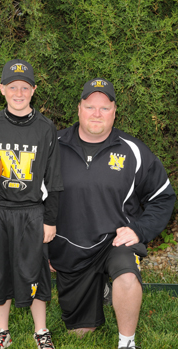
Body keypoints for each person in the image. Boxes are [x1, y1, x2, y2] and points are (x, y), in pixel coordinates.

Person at [48, 77, 176, 349]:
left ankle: (126, 342)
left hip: (114, 241)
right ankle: (102, 290)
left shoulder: (133, 151)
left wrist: (139, 230)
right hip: (70, 247)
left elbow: (163, 196)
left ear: (114, 112)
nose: (97, 113)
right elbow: (33, 199)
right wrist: (42, 246)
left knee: (127, 274)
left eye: (104, 108)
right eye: (90, 106)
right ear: (79, 108)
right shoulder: (52, 146)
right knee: (81, 331)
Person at [0, 59, 63, 349]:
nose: (19, 93)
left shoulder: (45, 129)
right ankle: (1, 331)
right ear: (2, 89)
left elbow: (54, 180)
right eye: (13, 87)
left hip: (31, 212)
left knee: (37, 271)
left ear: (34, 90)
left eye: (25, 87)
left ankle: (41, 331)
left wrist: (50, 220)